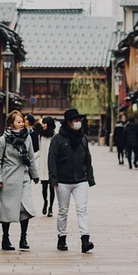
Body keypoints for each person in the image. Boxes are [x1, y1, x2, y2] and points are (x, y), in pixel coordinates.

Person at [48, 108, 96, 253]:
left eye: (79, 121)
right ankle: (62, 237)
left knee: (82, 208)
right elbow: (52, 160)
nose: (78, 123)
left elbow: (87, 158)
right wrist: (53, 179)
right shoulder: (57, 139)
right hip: (63, 180)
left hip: (80, 179)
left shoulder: (83, 138)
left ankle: (85, 239)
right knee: (63, 210)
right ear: (68, 122)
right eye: (76, 121)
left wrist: (90, 177)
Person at [0, 110, 39, 251]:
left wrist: (34, 175)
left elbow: (31, 157)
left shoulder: (27, 138)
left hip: (24, 177)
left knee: (25, 208)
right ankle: (5, 238)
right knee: (6, 209)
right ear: (11, 124)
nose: (21, 124)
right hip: (8, 178)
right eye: (18, 122)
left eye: (22, 121)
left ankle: (23, 237)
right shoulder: (3, 140)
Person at [37, 116, 56, 215]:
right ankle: (45, 202)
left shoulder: (55, 136)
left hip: (52, 166)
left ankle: (51, 208)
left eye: (45, 123)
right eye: (42, 123)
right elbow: (39, 151)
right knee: (44, 188)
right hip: (43, 165)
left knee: (52, 188)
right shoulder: (40, 136)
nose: (43, 125)